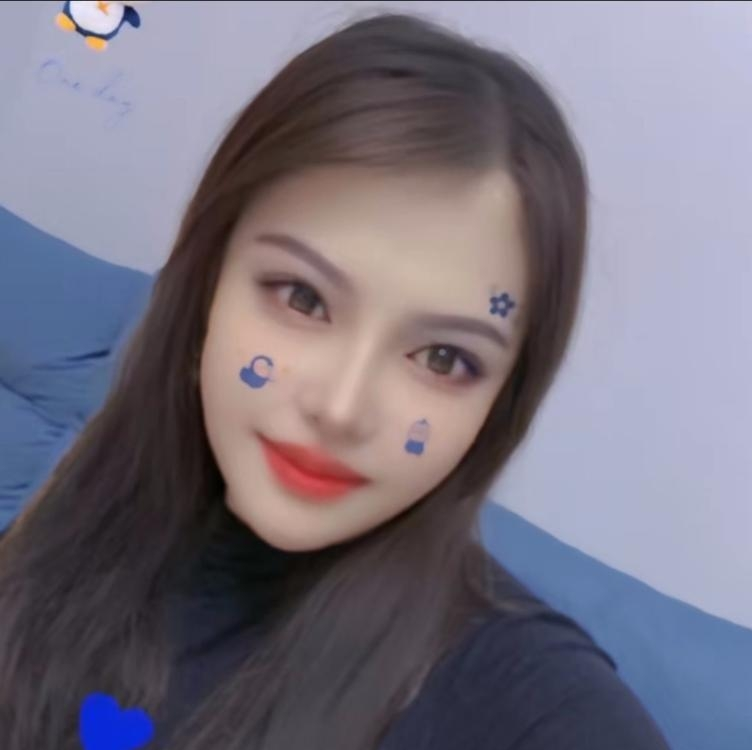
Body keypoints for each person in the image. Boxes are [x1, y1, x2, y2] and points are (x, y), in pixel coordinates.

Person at [0, 10, 672, 750]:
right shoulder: (86, 505)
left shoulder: (529, 704)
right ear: (207, 282)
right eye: (302, 298)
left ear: (503, 399)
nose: (342, 408)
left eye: (443, 358)